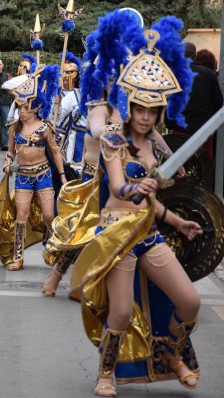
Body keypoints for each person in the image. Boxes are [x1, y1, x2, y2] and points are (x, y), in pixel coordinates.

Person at [68, 14, 203, 396]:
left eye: (151, 111)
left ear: (159, 112)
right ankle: (106, 373)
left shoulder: (156, 146)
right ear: (129, 105)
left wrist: (178, 221)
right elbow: (116, 188)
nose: (144, 117)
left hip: (148, 232)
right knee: (123, 311)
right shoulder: (113, 140)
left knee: (189, 302)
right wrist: (137, 186)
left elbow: (155, 202)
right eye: (139, 109)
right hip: (115, 235)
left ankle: (171, 353)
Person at [1, 64, 66, 271]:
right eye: (19, 108)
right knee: (21, 216)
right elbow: (10, 151)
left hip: (43, 174)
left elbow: (55, 152)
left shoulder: (45, 127)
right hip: (23, 176)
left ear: (35, 108)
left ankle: (56, 249)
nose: (21, 112)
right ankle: (18, 257)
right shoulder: (14, 128)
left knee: (49, 215)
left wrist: (62, 175)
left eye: (25, 108)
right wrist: (8, 161)